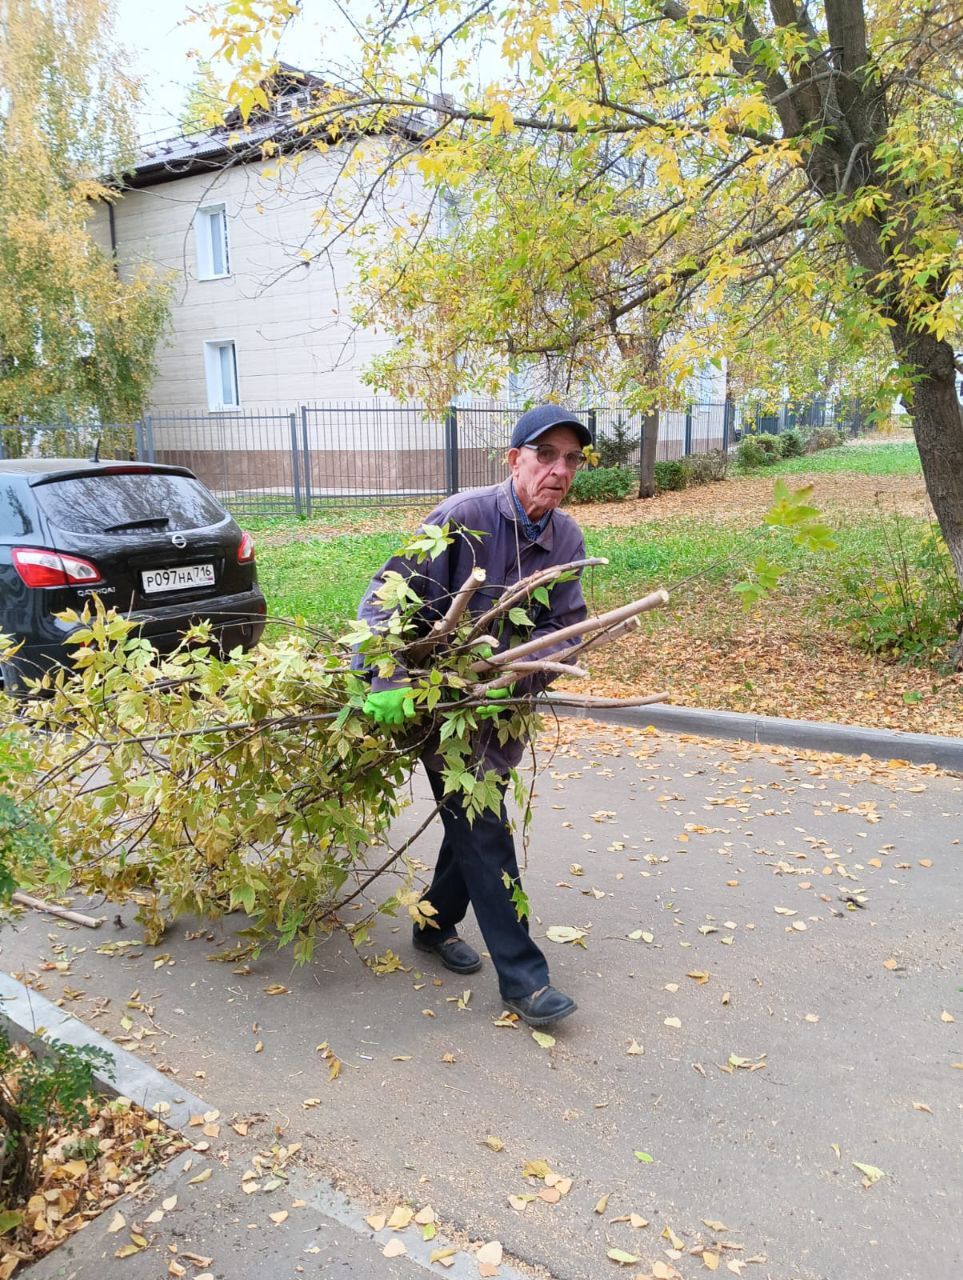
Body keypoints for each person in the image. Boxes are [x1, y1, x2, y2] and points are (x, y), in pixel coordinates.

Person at [358, 404, 592, 1027]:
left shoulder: (566, 538)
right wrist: (386, 674)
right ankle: (524, 978)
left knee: (470, 826)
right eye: (546, 456)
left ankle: (433, 926)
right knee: (484, 826)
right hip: (441, 708)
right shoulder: (462, 519)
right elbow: (385, 598)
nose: (559, 470)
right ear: (514, 460)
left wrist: (520, 669)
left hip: (506, 711)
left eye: (571, 459)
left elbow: (567, 627)